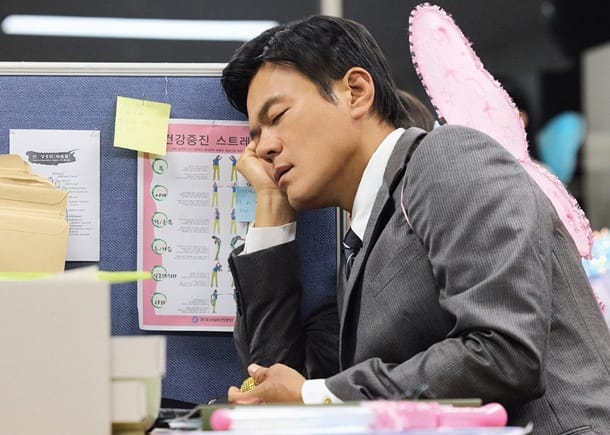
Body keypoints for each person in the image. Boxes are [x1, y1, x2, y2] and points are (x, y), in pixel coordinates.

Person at [220, 15, 610, 433]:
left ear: (356, 92)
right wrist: (272, 208)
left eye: (277, 116)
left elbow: (504, 352)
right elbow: (280, 386)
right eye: (255, 135)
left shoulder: (448, 157)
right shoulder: (361, 239)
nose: (263, 148)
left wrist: (318, 396)